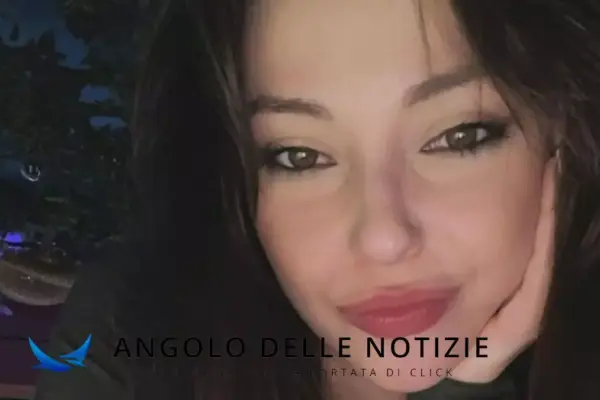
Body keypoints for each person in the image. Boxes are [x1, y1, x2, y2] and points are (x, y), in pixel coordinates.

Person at [34, 0, 600, 399]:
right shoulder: (128, 334)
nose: (383, 238)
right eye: (299, 156)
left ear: (563, 135)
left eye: (459, 136)